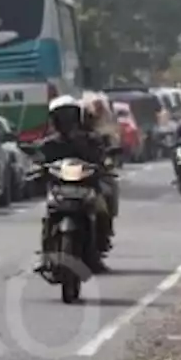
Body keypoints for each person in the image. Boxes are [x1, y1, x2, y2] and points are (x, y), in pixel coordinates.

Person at [36, 96, 112, 273]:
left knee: (102, 211)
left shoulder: (90, 140)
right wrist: (37, 169)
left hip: (86, 188)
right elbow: (38, 160)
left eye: (69, 116)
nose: (66, 122)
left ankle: (98, 249)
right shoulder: (50, 144)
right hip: (60, 189)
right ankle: (46, 255)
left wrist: (104, 164)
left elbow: (102, 157)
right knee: (48, 217)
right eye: (61, 117)